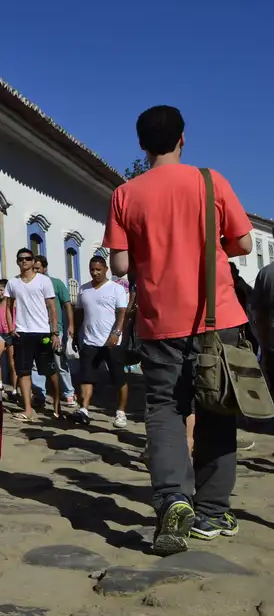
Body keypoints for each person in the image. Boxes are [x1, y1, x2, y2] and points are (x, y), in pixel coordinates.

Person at [104, 105, 253, 555]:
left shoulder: (125, 194)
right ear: (182, 139)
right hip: (218, 318)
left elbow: (121, 264)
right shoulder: (211, 182)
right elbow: (244, 243)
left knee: (166, 409)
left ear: (142, 145)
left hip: (158, 322)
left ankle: (172, 498)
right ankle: (211, 512)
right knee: (218, 410)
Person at [71, 255, 129, 427]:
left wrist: (116, 332)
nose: (95, 273)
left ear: (106, 270)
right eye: (92, 270)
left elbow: (122, 313)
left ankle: (121, 412)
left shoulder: (115, 289)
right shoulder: (84, 290)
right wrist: (75, 335)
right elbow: (79, 313)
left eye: (98, 270)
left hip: (111, 342)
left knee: (119, 378)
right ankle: (84, 409)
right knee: (86, 377)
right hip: (89, 341)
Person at [5, 248, 60, 421]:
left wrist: (55, 332)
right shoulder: (13, 283)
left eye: (28, 259)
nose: (24, 262)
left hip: (42, 332)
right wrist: (11, 327)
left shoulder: (44, 281)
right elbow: (8, 306)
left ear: (32, 261)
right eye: (21, 259)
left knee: (49, 371)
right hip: (22, 333)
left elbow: (52, 308)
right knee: (23, 371)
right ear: (17, 261)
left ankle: (57, 405)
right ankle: (28, 410)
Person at [32, 255, 78, 408]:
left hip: (56, 329)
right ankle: (39, 394)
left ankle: (69, 393)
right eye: (34, 269)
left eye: (38, 268)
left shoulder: (57, 284)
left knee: (59, 362)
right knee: (36, 364)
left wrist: (71, 325)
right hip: (38, 330)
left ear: (44, 268)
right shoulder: (31, 285)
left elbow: (67, 305)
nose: (35, 271)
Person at [0, 278, 14, 392]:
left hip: (10, 333)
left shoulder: (12, 302)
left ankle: (15, 388)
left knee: (12, 363)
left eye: (1, 290)